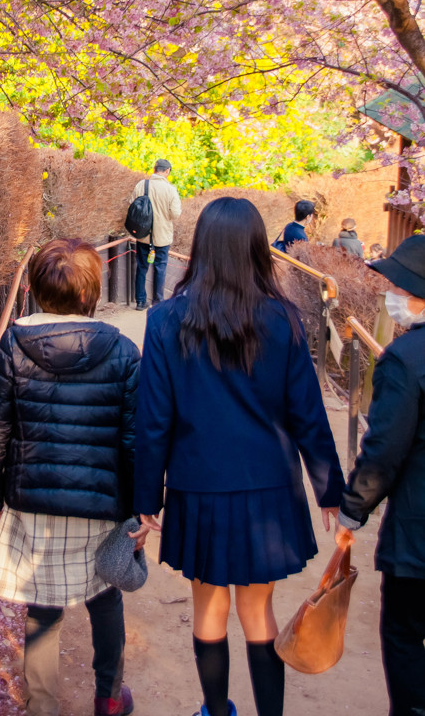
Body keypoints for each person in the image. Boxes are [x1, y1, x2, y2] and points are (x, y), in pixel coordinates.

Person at [132, 197, 344, 716]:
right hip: (269, 487)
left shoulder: (164, 322)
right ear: (255, 248)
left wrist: (145, 497)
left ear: (201, 247)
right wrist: (330, 490)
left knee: (208, 605)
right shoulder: (284, 319)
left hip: (197, 485)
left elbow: (153, 420)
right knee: (258, 609)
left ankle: (215, 710)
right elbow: (307, 415)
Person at [0, 238, 141, 716]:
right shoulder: (124, 352)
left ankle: (42, 705)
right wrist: (139, 509)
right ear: (93, 293)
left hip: (32, 500)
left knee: (43, 606)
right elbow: (134, 442)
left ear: (34, 289)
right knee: (105, 598)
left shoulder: (13, 345)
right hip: (101, 503)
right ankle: (108, 696)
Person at [337, 233, 425, 716]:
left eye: (397, 287)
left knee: (405, 635)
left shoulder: (406, 362)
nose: (389, 296)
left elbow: (384, 451)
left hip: (418, 534)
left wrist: (353, 510)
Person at [130, 159, 181, 310]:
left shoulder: (141, 185)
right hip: (162, 237)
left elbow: (132, 204)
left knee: (141, 267)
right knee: (160, 268)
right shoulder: (170, 190)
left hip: (143, 234)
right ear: (167, 171)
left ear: (154, 169)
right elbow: (176, 214)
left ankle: (140, 301)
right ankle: (158, 302)